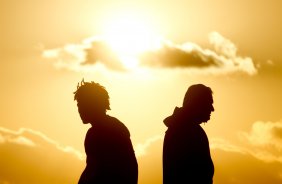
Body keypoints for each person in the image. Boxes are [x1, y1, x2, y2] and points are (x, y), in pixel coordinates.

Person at [74, 79, 138, 184]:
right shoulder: (117, 126)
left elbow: (92, 170)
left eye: (83, 104)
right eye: (78, 106)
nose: (80, 110)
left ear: (94, 104)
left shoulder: (96, 133)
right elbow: (132, 167)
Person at [162, 84, 214, 184]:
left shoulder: (180, 128)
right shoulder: (188, 132)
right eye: (209, 103)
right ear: (198, 104)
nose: (212, 109)